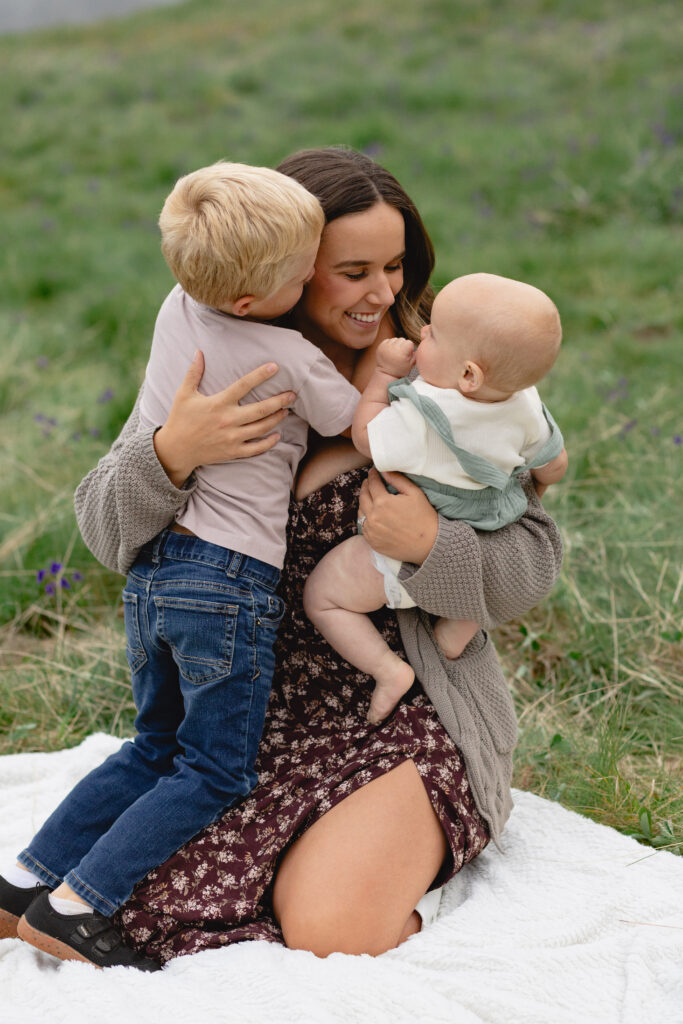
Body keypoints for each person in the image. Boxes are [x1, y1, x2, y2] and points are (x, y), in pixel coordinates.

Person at [6, 147, 563, 966]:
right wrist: (169, 453)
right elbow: (102, 531)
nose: (381, 293)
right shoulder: (218, 348)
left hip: (397, 711)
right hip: (245, 722)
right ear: (289, 269)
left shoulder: (445, 379)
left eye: (396, 265)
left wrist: (430, 549)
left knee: (330, 931)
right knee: (141, 904)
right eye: (351, 270)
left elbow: (533, 561)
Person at [3, 162, 359, 970]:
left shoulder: (176, 306)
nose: (311, 276)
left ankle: (21, 881)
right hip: (227, 584)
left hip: (155, 575)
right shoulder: (285, 355)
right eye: (304, 268)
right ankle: (76, 907)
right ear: (247, 300)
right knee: (213, 770)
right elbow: (350, 418)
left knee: (149, 746)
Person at [304, 272, 568, 725]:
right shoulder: (521, 400)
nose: (421, 331)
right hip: (491, 521)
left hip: (404, 551)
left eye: (434, 334)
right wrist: (536, 485)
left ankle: (387, 670)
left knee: (324, 598)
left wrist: (385, 375)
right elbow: (554, 462)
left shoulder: (428, 417)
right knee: (477, 587)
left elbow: (366, 437)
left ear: (468, 374)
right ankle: (461, 623)